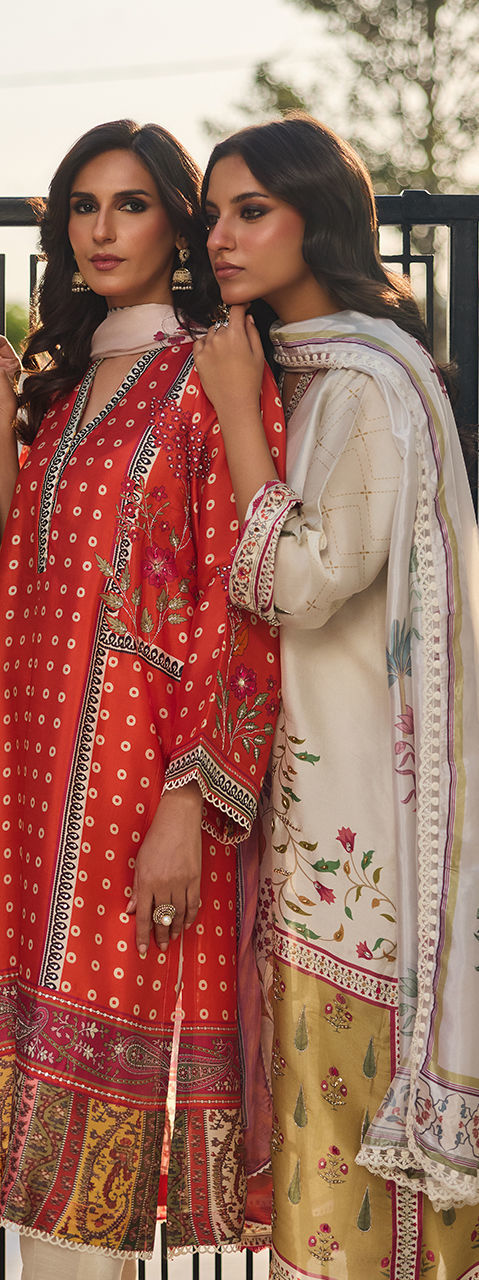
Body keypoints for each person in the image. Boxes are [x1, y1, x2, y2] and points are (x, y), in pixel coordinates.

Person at [0, 119, 285, 1276]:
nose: (101, 229)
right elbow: (31, 572)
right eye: (82, 206)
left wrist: (187, 805)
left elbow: (239, 598)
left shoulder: (209, 376)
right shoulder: (73, 381)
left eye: (130, 204)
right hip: (31, 784)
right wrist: (1, 425)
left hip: (140, 789)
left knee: (98, 1188)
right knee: (45, 1193)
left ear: (178, 224)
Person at [192, 114, 479, 1280]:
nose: (220, 236)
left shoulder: (368, 380)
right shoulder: (307, 368)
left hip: (370, 830)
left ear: (320, 217)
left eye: (250, 210)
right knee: (319, 1145)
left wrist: (233, 414)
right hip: (315, 804)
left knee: (356, 1152)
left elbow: (302, 580)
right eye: (213, 213)